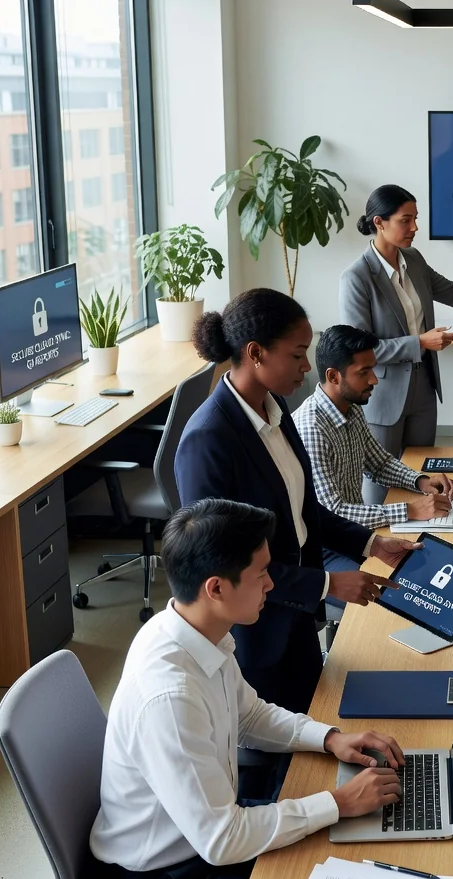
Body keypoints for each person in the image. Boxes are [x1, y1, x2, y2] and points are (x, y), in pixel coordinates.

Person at [89, 498, 404, 879]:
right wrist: (338, 801)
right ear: (216, 587)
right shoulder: (169, 695)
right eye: (261, 573)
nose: (272, 583)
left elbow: (250, 716)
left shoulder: (195, 632)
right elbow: (222, 840)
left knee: (355, 857)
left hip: (205, 838)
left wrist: (331, 737)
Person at [175, 288, 419, 715]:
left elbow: (301, 510)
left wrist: (370, 544)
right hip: (253, 630)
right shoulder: (209, 439)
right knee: (273, 757)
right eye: (298, 354)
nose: (308, 367)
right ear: (256, 353)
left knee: (313, 718)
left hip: (295, 614)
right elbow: (220, 565)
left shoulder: (275, 408)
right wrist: (326, 584)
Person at [339, 184, 453, 502]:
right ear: (379, 223)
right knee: (378, 482)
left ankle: (422, 542)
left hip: (424, 387)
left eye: (416, 219)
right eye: (405, 220)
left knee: (423, 475)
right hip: (383, 395)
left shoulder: (412, 260)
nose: (414, 228)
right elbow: (360, 350)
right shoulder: (357, 277)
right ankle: (374, 549)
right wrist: (420, 343)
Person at [293, 324, 453, 533]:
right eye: (364, 372)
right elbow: (333, 513)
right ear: (334, 376)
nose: (374, 379)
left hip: (354, 531)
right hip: (327, 543)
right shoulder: (311, 429)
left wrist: (421, 481)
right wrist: (409, 511)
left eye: (372, 368)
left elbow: (379, 464)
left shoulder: (351, 407)